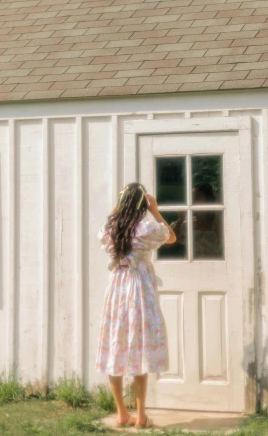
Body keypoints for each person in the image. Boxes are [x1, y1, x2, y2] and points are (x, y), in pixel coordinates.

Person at [95, 182, 177, 429]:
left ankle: (122, 413)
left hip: (117, 290)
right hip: (140, 290)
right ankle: (140, 416)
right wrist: (155, 210)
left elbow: (104, 232)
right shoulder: (146, 228)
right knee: (140, 348)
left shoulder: (110, 230)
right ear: (143, 204)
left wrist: (120, 207)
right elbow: (171, 236)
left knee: (115, 346)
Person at [168, 183, 223, 259]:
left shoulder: (217, 222)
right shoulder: (186, 222)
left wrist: (217, 208)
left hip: (215, 267)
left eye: (196, 198)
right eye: (191, 198)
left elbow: (224, 240)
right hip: (192, 267)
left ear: (207, 200)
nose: (192, 201)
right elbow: (168, 243)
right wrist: (180, 220)